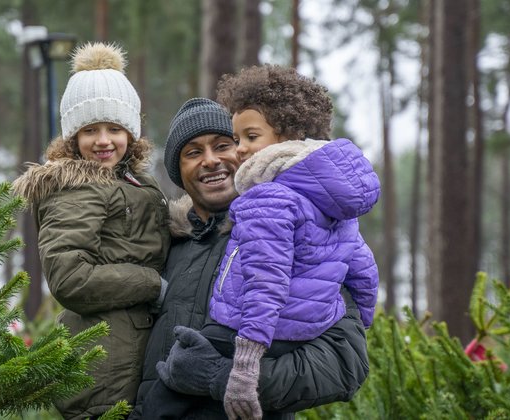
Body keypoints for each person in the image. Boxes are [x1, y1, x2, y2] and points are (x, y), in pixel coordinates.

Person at [145, 66, 380, 419]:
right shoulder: (162, 246)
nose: (212, 159)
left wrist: (218, 377)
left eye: (223, 145)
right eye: (193, 152)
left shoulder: (305, 242)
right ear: (179, 170)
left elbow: (344, 366)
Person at [12, 43, 169, 419]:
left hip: (129, 355)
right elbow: (70, 278)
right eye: (90, 130)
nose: (103, 140)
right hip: (104, 366)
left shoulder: (129, 182)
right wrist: (153, 285)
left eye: (114, 128)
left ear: (130, 133)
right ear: (73, 137)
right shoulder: (76, 187)